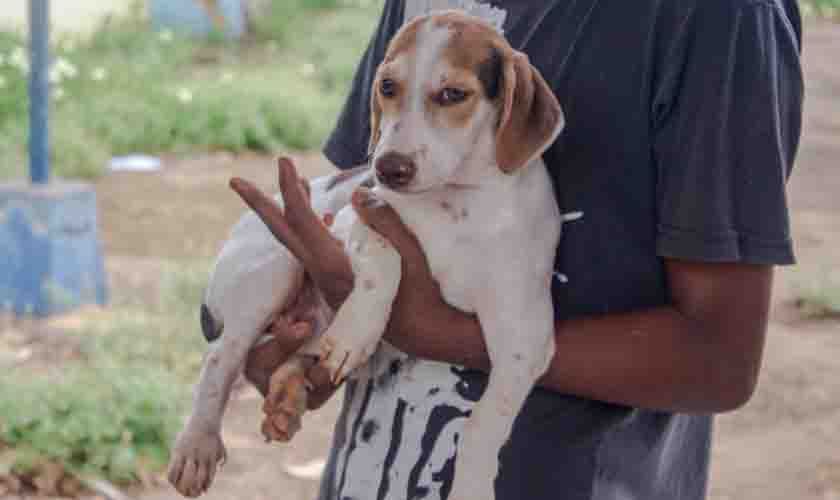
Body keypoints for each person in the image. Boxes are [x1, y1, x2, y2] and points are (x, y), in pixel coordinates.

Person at [231, 0, 804, 498]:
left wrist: (436, 333)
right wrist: (311, 350)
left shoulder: (720, 18)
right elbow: (374, 201)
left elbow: (719, 360)